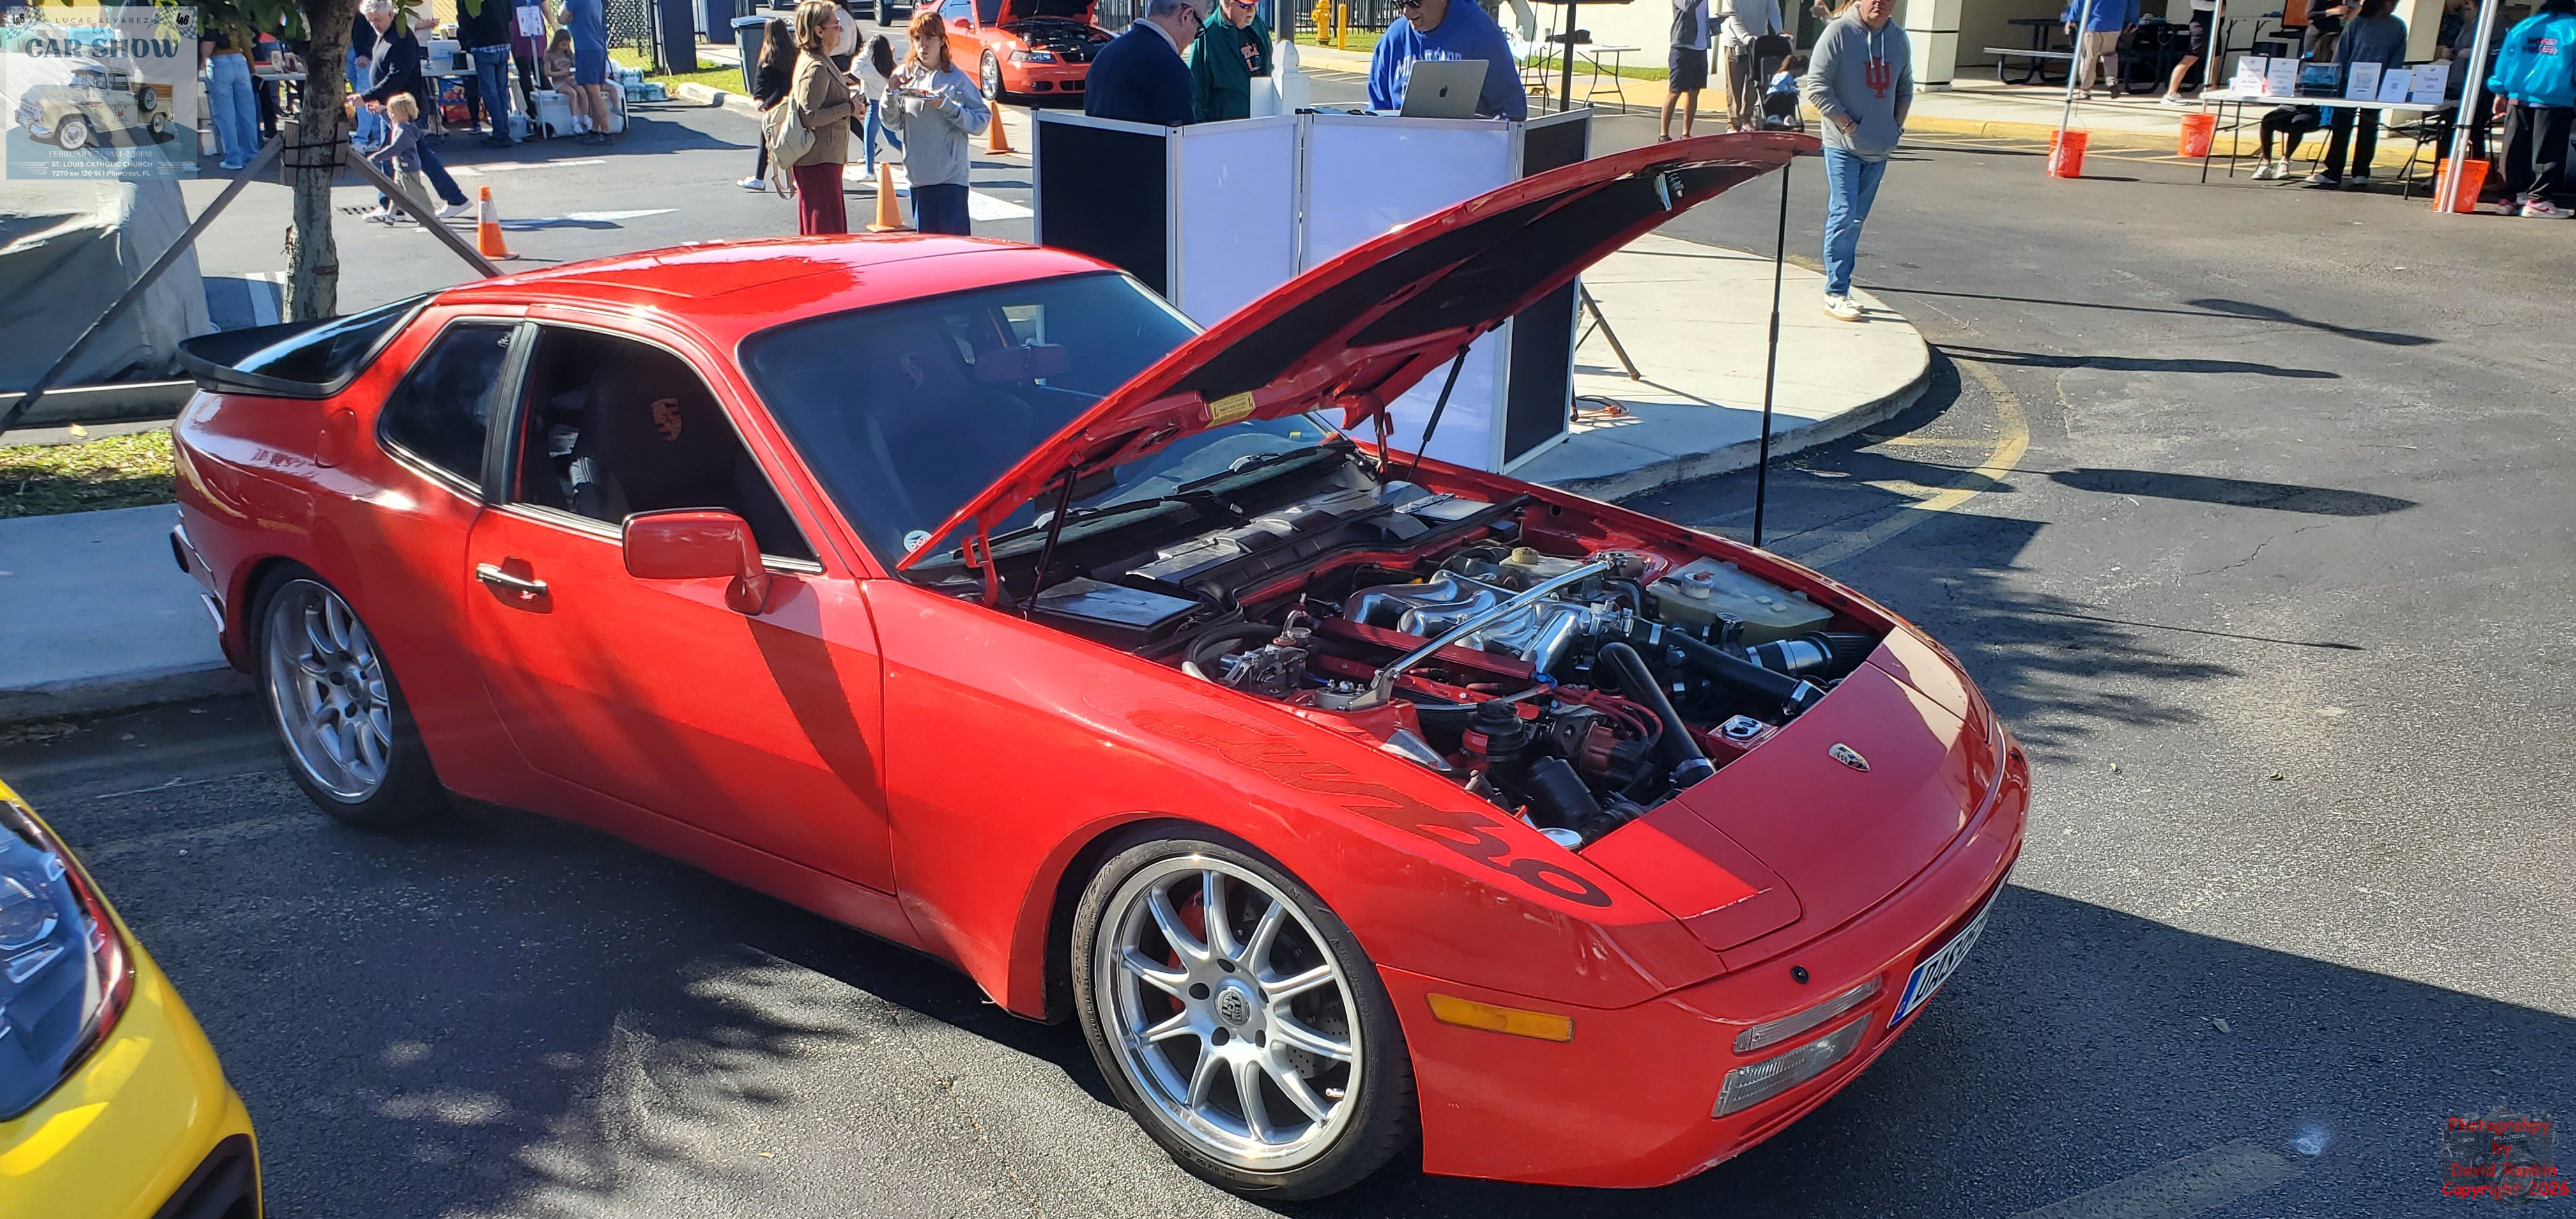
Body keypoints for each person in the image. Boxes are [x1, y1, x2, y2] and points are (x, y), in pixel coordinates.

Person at [1800, 0, 1908, 323]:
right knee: (1844, 212)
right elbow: (1817, 87)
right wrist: (1848, 125)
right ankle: (1836, 292)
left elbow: (1905, 86)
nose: (1880, 3)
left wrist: (1895, 127)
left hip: (1879, 146)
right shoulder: (1839, 32)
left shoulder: (1898, 39)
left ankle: (1842, 285)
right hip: (1842, 145)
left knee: (1856, 219)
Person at [361, 0, 473, 218]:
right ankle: (391, 204)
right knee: (396, 152)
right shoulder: (386, 35)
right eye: (370, 20)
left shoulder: (401, 38)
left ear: (391, 15)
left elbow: (397, 76)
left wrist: (368, 96)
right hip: (391, 108)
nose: (374, 24)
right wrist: (378, 100)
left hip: (405, 109)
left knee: (415, 152)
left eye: (378, 19)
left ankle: (454, 198)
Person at [885, 6, 990, 234]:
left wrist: (947, 105)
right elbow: (892, 123)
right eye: (917, 38)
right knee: (928, 250)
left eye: (930, 38)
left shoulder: (957, 80)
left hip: (951, 179)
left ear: (943, 40)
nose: (923, 45)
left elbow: (981, 121)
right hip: (919, 178)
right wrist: (891, 92)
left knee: (955, 249)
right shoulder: (905, 76)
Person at [2486, 0, 2576, 215]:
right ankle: (2538, 200)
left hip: (2518, 96)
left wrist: (2499, 91)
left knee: (2515, 147)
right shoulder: (2572, 28)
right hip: (2555, 96)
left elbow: (2505, 60)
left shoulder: (2525, 26)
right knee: (2548, 150)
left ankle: (2510, 198)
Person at [1367, 0, 1528, 119]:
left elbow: (1511, 110)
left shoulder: (1481, 33)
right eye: (1399, 3)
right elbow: (1377, 113)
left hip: (1465, 148)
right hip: (1404, 147)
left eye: (1414, 2)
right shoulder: (1393, 39)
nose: (1406, 11)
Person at [2306, 0, 2405, 187]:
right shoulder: (2358, 23)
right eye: (2391, 2)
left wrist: (2392, 83)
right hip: (2349, 83)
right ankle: (2334, 171)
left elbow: (2397, 58)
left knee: (2369, 127)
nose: (2393, 6)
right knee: (2341, 126)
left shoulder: (2397, 26)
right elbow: (2342, 53)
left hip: (2378, 86)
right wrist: (2336, 77)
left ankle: (2361, 172)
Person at [788, 0, 856, 234]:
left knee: (824, 229)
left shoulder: (818, 59)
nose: (841, 29)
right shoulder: (816, 67)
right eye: (835, 25)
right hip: (818, 161)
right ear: (819, 31)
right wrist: (849, 107)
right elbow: (809, 116)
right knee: (825, 232)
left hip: (823, 158)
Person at [1087, 0, 1198, 125]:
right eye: (1198, 30)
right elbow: (1182, 135)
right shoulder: (1172, 69)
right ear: (1186, 16)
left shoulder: (1105, 55)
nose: (1193, 40)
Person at [1189, 0, 1273, 122]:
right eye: (1244, 5)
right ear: (1226, 3)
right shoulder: (1207, 36)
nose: (1251, 11)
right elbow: (1196, 92)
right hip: (1227, 126)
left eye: (1254, 5)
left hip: (1261, 119)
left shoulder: (1257, 25)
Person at [742, 17, 795, 190]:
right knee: (793, 141)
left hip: (774, 108)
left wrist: (763, 101)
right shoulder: (794, 54)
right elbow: (786, 86)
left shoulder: (769, 56)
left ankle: (759, 178)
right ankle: (796, 179)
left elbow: (761, 81)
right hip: (792, 104)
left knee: (766, 142)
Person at [201, 19, 260, 171]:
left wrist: (204, 61)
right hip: (239, 61)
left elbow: (208, 42)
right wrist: (252, 69)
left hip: (218, 60)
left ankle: (234, 158)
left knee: (225, 115)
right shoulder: (233, 16)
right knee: (247, 113)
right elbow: (245, 42)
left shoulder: (210, 17)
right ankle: (251, 155)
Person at [459, 0, 516, 146]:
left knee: (490, 92)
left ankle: (500, 132)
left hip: (483, 44)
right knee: (502, 91)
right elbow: (510, 15)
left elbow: (465, 21)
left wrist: (467, 41)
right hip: (503, 41)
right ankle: (504, 129)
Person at [556, 0, 615, 143]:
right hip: (597, 48)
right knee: (592, 92)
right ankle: (595, 130)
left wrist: (563, 10)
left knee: (594, 93)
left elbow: (562, 18)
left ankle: (606, 132)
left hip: (587, 49)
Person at [369, 93, 433, 224]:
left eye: (392, 112)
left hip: (407, 168)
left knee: (415, 192)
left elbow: (394, 149)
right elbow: (390, 123)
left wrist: (376, 157)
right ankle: (391, 215)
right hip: (401, 167)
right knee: (397, 193)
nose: (390, 115)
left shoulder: (404, 132)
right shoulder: (401, 126)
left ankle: (430, 216)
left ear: (403, 114)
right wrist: (382, 112)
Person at [1719, 0, 1782, 131]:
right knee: (1734, 86)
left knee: (1754, 83)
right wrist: (1746, 37)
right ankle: (1734, 123)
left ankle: (1747, 118)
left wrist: (1780, 33)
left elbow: (1774, 12)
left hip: (1759, 43)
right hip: (1735, 44)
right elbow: (1732, 15)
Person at [2061, 0, 2137, 100]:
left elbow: (2079, 2)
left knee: (2089, 58)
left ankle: (2085, 90)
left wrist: (2071, 19)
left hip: (2093, 25)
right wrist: (2134, 20)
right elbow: (2133, 3)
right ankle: (2112, 82)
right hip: (2115, 25)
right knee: (2110, 54)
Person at [1663, 0, 1712, 141]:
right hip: (1682, 48)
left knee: (1694, 91)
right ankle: (1664, 135)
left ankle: (1686, 134)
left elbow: (1701, 18)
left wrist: (1715, 22)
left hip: (1700, 48)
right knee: (1675, 91)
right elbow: (1688, 7)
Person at [2159, 0, 2216, 103]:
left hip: (2214, 27)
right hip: (2202, 27)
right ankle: (2170, 94)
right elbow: (2196, 3)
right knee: (2190, 59)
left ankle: (2212, 89)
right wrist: (2218, 7)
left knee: (2215, 58)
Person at [2249, 103, 2323, 178]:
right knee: (2267, 121)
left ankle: (2285, 161)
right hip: (2285, 110)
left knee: (2298, 125)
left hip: (2308, 112)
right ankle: (2266, 162)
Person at [859, 33, 898, 175]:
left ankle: (869, 172)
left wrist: (866, 52)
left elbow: (855, 68)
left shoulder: (872, 70)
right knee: (892, 140)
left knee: (869, 140)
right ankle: (913, 157)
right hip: (886, 104)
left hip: (875, 105)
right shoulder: (889, 67)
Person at [544, 30, 595, 134]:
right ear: (557, 42)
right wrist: (560, 73)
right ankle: (574, 120)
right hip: (559, 82)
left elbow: (576, 67)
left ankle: (586, 117)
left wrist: (573, 74)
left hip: (571, 79)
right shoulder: (550, 55)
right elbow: (547, 72)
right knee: (572, 93)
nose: (565, 47)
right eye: (563, 45)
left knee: (582, 91)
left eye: (567, 45)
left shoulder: (569, 55)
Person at [1764, 51, 1805, 127]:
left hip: (1772, 99)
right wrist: (1792, 91)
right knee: (1790, 97)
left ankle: (1787, 118)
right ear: (1798, 69)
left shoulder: (1779, 74)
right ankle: (1784, 117)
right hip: (1776, 99)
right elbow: (1781, 87)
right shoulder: (1787, 76)